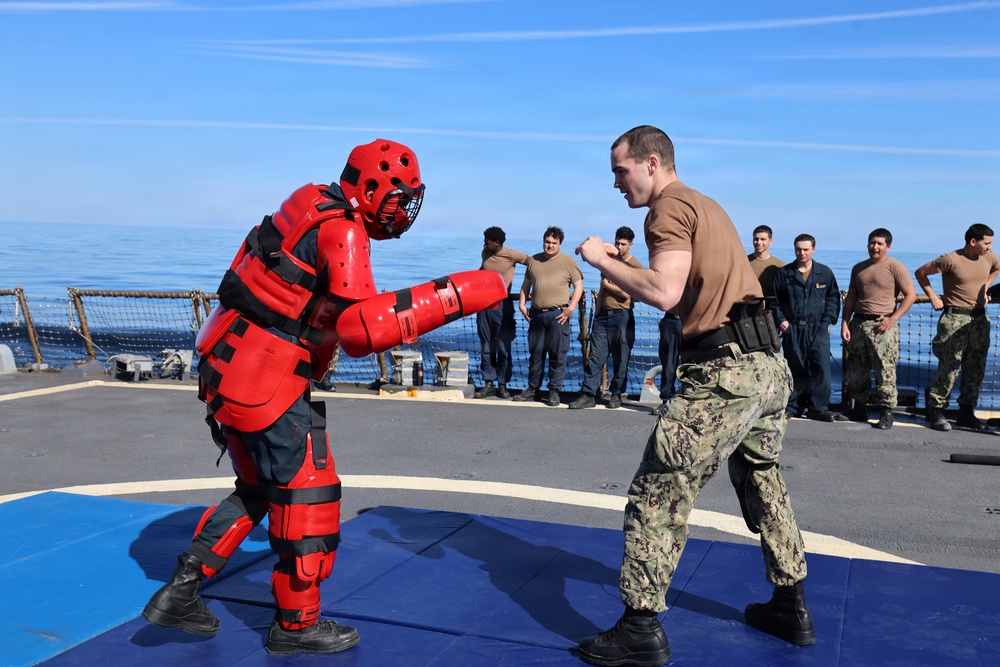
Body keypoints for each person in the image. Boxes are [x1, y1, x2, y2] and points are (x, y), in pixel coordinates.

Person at [141, 139, 505, 655]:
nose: (405, 210)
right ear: (372, 187)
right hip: (266, 377)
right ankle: (296, 626)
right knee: (308, 490)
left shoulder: (310, 200)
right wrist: (463, 293)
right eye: (399, 197)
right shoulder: (345, 231)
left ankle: (181, 590)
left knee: (258, 487)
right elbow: (360, 329)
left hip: (223, 360)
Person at [574, 125, 813, 666]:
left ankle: (639, 627)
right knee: (760, 478)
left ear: (651, 163)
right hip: (765, 368)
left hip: (723, 373)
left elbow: (665, 292)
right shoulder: (705, 205)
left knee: (659, 488)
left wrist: (601, 260)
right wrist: (631, 265)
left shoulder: (665, 210)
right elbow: (696, 286)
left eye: (621, 170)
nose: (616, 182)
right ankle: (790, 603)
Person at [915, 223, 1000, 432]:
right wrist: (934, 297)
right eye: (986, 243)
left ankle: (966, 413)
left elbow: (997, 268)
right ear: (973, 241)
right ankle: (936, 410)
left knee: (976, 367)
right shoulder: (950, 259)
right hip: (955, 318)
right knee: (949, 367)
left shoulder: (989, 257)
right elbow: (921, 273)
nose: (989, 247)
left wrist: (985, 288)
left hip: (979, 319)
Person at [841, 228, 917, 430]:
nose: (875, 247)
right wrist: (845, 322)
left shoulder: (895, 267)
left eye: (880, 244)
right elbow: (851, 297)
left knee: (885, 371)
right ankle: (860, 408)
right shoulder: (858, 268)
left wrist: (893, 319)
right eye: (872, 243)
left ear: (888, 246)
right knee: (856, 370)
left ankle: (886, 412)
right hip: (859, 324)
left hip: (882, 326)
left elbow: (911, 295)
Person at [771, 234, 847, 422]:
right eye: (798, 249)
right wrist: (781, 319)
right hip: (793, 327)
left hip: (817, 327)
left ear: (813, 249)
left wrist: (827, 322)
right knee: (795, 367)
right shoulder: (784, 274)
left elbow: (832, 298)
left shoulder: (824, 273)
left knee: (821, 368)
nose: (802, 253)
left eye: (806, 249)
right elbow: (774, 301)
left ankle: (818, 407)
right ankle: (794, 406)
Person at [569, 226, 643, 410]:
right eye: (617, 243)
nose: (619, 247)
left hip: (623, 317)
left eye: (623, 244)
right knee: (595, 356)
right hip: (604, 316)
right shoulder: (609, 262)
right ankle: (588, 394)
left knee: (621, 358)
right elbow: (602, 289)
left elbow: (627, 293)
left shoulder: (635, 266)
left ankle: (616, 394)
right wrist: (598, 313)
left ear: (631, 245)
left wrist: (609, 285)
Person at [514, 226, 584, 407]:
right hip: (536, 315)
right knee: (535, 354)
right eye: (547, 242)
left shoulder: (568, 262)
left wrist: (571, 308)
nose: (550, 245)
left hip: (558, 315)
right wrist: (522, 304)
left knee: (557, 355)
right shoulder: (534, 261)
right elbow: (526, 285)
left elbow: (578, 286)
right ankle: (532, 389)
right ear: (543, 241)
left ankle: (554, 391)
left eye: (554, 243)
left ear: (560, 244)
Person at [474, 226, 531, 399]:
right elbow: (483, 271)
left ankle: (502, 385)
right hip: (483, 305)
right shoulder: (485, 253)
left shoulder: (511, 254)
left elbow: (532, 264)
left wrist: (526, 288)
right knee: (486, 345)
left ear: (497, 243)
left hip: (502, 306)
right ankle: (488, 384)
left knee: (502, 347)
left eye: (487, 241)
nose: (484, 244)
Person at [747, 225, 784, 308]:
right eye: (756, 239)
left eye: (763, 239)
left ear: (770, 241)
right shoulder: (743, 262)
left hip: (772, 311)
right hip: (747, 310)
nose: (759, 242)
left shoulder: (780, 266)